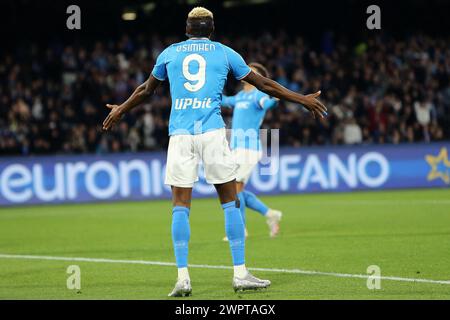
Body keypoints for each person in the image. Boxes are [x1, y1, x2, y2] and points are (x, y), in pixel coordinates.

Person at [102, 7, 326, 297]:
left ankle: (183, 278)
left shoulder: (169, 53)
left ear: (186, 29)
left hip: (181, 135)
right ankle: (240, 273)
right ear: (212, 30)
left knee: (180, 205)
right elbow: (265, 85)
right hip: (212, 133)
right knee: (231, 201)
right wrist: (302, 99)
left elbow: (146, 90)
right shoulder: (225, 53)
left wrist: (121, 108)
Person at [221, 62, 282, 239]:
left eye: (252, 71)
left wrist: (275, 99)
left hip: (249, 148)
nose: (246, 72)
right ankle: (270, 214)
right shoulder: (240, 96)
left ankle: (241, 230)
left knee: (234, 186)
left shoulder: (257, 95)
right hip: (236, 148)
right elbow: (224, 100)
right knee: (235, 188)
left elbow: (267, 104)